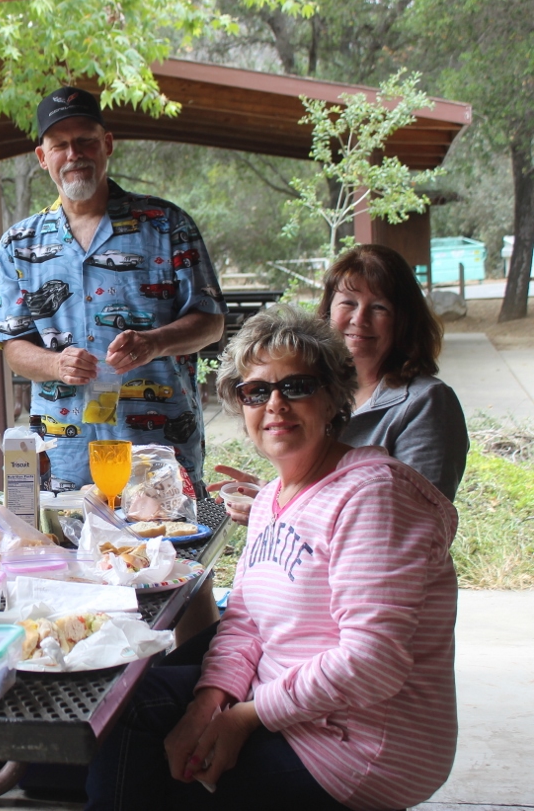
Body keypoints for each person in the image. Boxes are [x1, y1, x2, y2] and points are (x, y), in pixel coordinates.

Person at [85, 305, 458, 811]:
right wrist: (207, 704)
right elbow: (245, 622)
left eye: (297, 386)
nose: (275, 404)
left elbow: (373, 662)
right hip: (287, 698)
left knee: (157, 782)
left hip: (359, 745)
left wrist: (244, 718)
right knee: (123, 708)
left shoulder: (371, 495)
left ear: (332, 398)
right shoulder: (270, 498)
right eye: (256, 391)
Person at [0, 86, 227, 490]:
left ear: (107, 144)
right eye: (60, 145)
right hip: (65, 447)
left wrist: (154, 342)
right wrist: (55, 364)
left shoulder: (167, 224)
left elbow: (211, 323)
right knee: (68, 550)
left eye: (85, 140)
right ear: (43, 157)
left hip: (157, 442)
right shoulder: (19, 243)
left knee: (176, 545)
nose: (74, 154)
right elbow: (12, 346)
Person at [213, 244, 468, 525]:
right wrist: (273, 495)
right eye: (349, 302)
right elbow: (319, 491)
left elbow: (418, 522)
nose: (360, 319)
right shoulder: (311, 388)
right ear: (328, 310)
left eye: (380, 307)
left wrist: (284, 511)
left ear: (404, 320)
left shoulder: (427, 402)